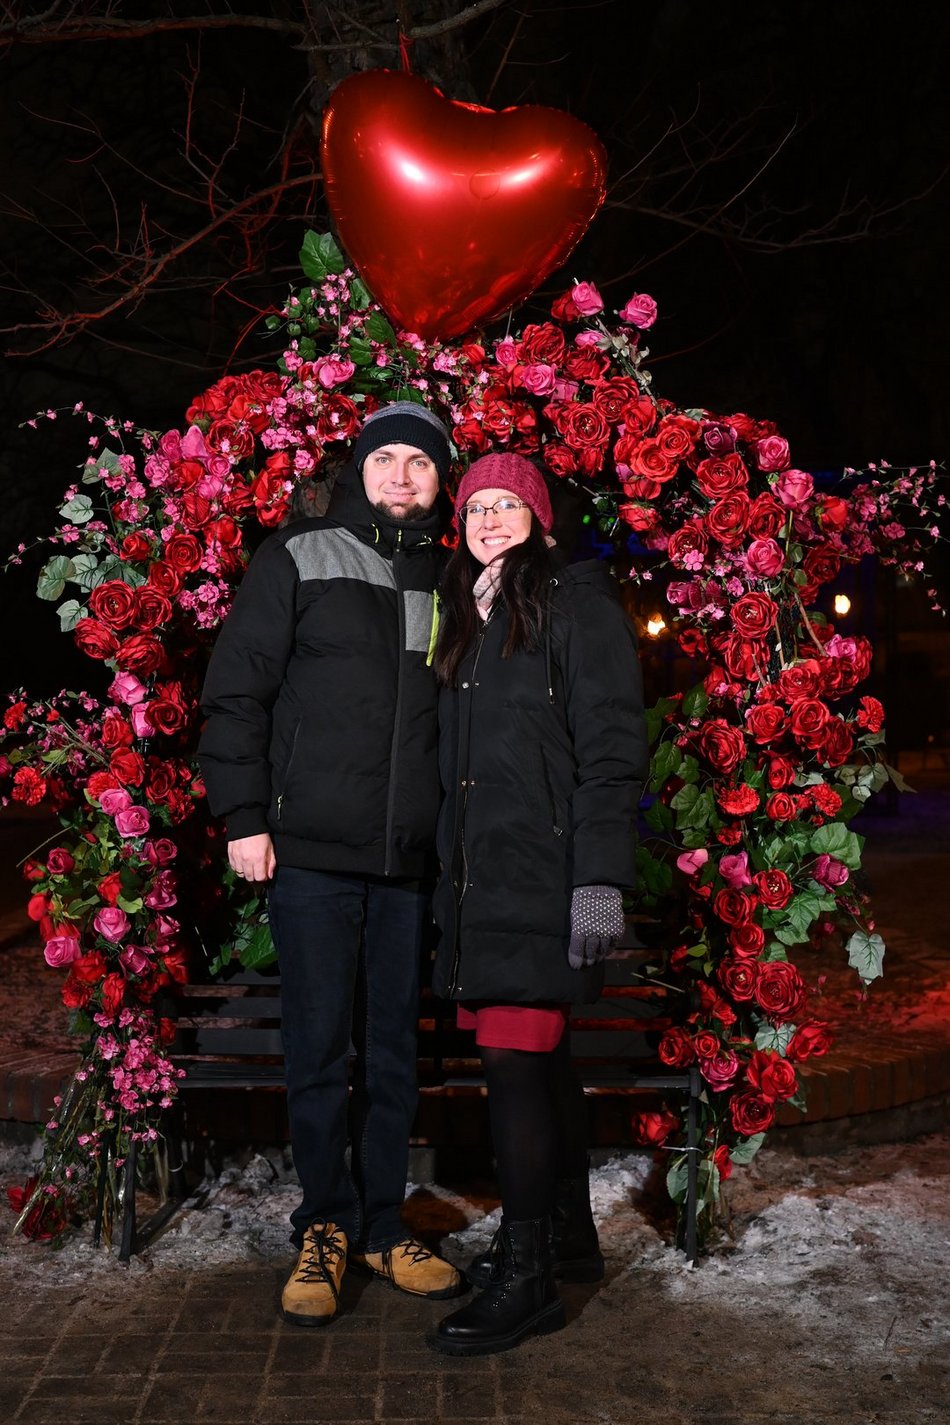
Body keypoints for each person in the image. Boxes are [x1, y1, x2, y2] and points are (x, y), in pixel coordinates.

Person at [197, 401, 467, 1326]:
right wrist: (243, 816)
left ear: (441, 479)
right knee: (320, 1047)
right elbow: (237, 692)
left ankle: (383, 1222)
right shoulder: (298, 556)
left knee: (393, 1052)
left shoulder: (458, 574)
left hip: (406, 862)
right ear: (359, 471)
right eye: (384, 460)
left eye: (418, 464)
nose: (400, 476)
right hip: (308, 852)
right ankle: (323, 1224)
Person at [427, 451, 647, 1356]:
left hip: (542, 879)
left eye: (504, 504)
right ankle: (567, 1236)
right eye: (473, 505)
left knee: (515, 1069)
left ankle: (529, 1284)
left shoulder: (574, 606)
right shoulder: (472, 616)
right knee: (541, 1062)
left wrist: (599, 878)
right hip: (487, 882)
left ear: (539, 518)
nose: (485, 518)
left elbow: (610, 749)